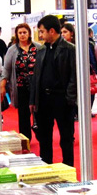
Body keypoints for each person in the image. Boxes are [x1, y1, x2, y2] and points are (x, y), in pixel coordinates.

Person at [29, 14, 77, 166]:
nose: (40, 35)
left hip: (62, 100)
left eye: (42, 31)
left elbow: (74, 76)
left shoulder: (69, 49)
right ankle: (46, 166)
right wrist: (33, 100)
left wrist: (70, 98)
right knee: (44, 137)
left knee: (66, 137)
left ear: (51, 31)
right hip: (43, 99)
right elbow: (36, 77)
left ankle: (68, 167)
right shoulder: (42, 50)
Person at [1, 23, 42, 143]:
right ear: (16, 35)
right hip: (21, 87)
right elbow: (6, 69)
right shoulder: (12, 50)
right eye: (20, 33)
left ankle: (40, 134)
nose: (22, 35)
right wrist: (2, 85)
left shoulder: (39, 47)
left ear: (29, 33)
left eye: (24, 32)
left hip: (37, 88)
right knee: (23, 116)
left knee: (39, 113)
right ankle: (25, 139)